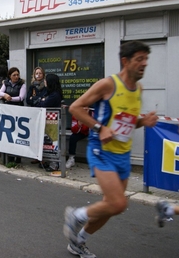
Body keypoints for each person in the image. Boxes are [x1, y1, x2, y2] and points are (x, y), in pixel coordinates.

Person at [63, 41, 158, 258]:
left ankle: (78, 242)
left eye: (146, 59)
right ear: (125, 61)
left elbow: (128, 122)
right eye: (139, 59)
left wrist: (144, 121)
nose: (144, 64)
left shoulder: (138, 89)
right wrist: (99, 127)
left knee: (112, 207)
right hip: (101, 150)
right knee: (117, 203)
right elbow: (76, 108)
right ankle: (76, 215)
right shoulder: (108, 85)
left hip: (122, 154)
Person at [0, 67, 27, 163]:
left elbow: (21, 97)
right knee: (8, 133)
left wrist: (10, 98)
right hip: (8, 110)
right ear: (10, 76)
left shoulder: (22, 84)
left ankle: (18, 157)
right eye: (14, 75)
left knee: (18, 133)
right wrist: (5, 95)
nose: (16, 77)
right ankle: (9, 157)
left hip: (18, 110)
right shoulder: (6, 83)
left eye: (17, 75)